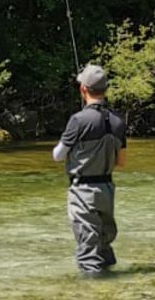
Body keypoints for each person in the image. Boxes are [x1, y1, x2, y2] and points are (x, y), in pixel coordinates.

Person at [52, 64, 128, 275]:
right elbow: (121, 161)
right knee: (103, 245)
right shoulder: (118, 122)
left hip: (82, 191)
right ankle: (112, 285)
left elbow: (58, 155)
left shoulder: (78, 120)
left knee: (88, 253)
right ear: (105, 89)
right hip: (107, 190)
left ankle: (93, 292)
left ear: (83, 89)